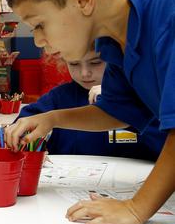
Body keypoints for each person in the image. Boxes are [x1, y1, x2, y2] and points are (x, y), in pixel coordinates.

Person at [3, 0, 175, 224]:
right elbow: (116, 111)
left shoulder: (166, 13)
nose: (40, 41)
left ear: (82, 0)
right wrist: (52, 118)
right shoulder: (113, 41)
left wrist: (135, 208)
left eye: (40, 24)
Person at [15, 49, 165, 161]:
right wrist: (28, 147)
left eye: (95, 63)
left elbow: (165, 144)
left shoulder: (140, 96)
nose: (85, 73)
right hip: (70, 190)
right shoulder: (59, 98)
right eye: (74, 63)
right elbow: (25, 123)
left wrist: (116, 102)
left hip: (130, 191)